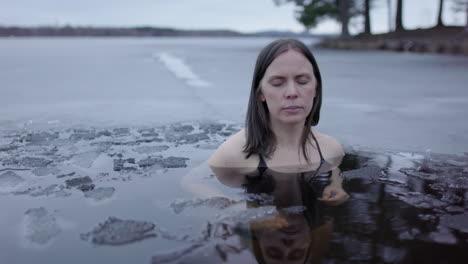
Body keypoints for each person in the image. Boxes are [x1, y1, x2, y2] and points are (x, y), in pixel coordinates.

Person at [208, 38, 349, 206]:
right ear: (261, 93)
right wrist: (234, 209)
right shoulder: (234, 154)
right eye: (278, 83)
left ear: (316, 89)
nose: (292, 92)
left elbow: (335, 171)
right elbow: (192, 181)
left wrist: (336, 184)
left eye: (303, 81)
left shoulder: (330, 149)